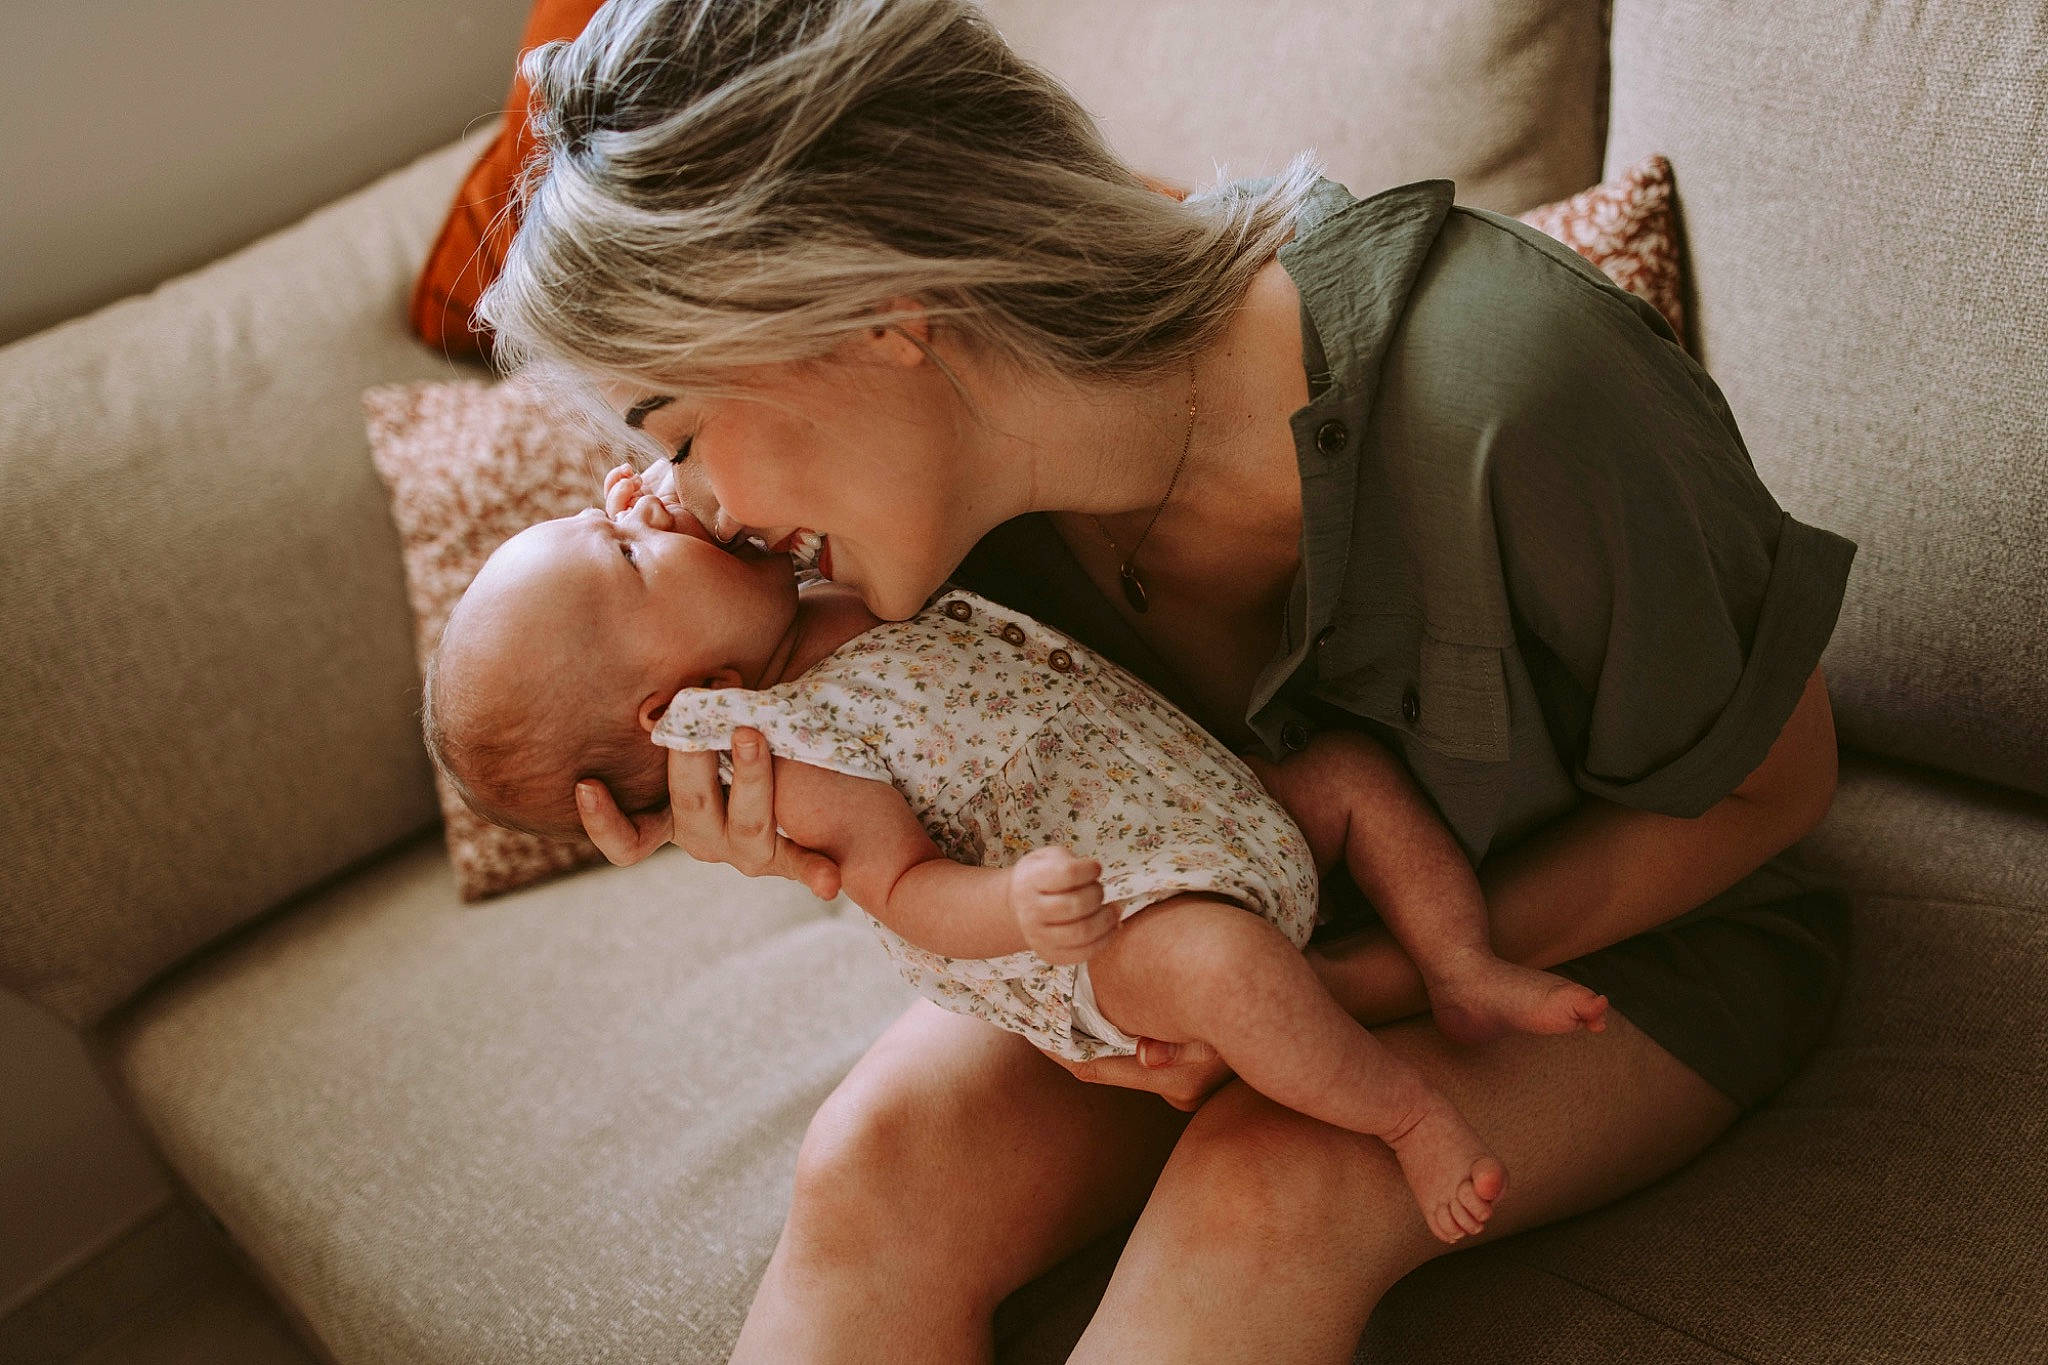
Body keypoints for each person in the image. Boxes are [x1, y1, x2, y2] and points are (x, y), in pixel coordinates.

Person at [474, 0, 1861, 1357]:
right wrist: (767, 805)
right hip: (1220, 912)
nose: (691, 503)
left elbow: (1771, 790)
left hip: (1635, 937)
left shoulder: (1509, 391)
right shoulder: (927, 528)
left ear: (879, 313)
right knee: (878, 1162)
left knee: (1264, 1187)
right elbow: (972, 822)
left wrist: (1325, 995)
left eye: (686, 428)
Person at [423, 462, 1615, 1245]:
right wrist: (1015, 904)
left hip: (1180, 811)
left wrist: (684, 508)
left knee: (1351, 780)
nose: (638, 511)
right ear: (681, 708)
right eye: (625, 555)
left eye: (608, 506)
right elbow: (898, 890)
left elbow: (773, 490)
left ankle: (1460, 966)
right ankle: (1406, 1118)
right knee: (1222, 971)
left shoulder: (812, 578)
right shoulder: (793, 755)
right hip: (1093, 930)